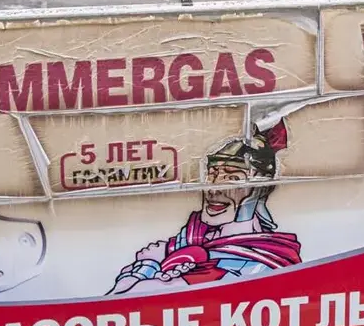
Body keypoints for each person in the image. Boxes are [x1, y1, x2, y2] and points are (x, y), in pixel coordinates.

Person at [109, 121, 301, 294]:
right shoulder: (190, 236)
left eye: (232, 179)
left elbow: (132, 298)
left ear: (260, 189)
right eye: (212, 175)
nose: (213, 189)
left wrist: (148, 265)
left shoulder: (259, 260)